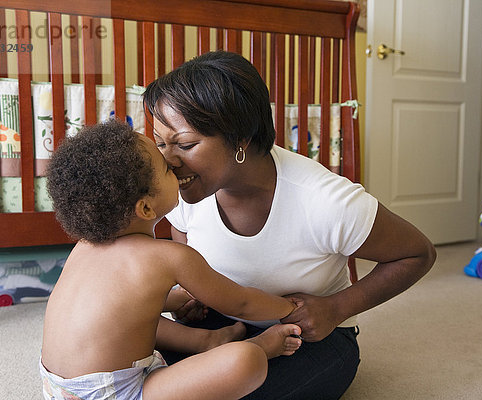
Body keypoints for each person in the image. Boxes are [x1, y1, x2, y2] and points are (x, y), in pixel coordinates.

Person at [142, 50, 437, 399]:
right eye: (161, 143)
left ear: (240, 139)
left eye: (186, 144)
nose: (168, 161)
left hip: (307, 336)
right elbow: (184, 230)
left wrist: (336, 308)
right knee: (135, 368)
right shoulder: (185, 185)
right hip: (221, 324)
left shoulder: (326, 201)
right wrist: (196, 290)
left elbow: (418, 254)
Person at [40, 120, 303, 400]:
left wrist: (171, 300)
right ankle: (261, 346)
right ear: (145, 206)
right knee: (245, 360)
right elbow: (240, 302)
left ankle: (208, 340)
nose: (175, 166)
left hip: (58, 390)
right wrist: (288, 306)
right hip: (120, 394)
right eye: (166, 169)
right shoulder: (170, 256)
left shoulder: (84, 247)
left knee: (132, 321)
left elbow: (112, 306)